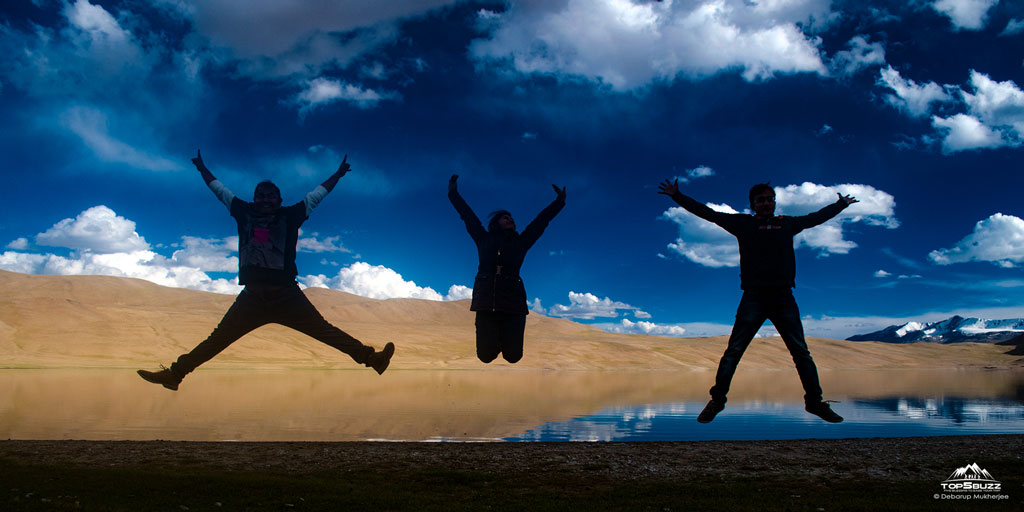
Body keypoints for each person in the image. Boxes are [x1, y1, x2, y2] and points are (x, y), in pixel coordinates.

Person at [137, 150, 395, 390]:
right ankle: (175, 375)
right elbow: (220, 191)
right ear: (254, 198)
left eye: (270, 196)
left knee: (325, 332)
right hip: (252, 298)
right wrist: (202, 169)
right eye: (260, 195)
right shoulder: (243, 212)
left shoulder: (291, 215)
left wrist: (337, 175)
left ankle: (373, 359)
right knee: (217, 340)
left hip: (287, 296)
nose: (265, 199)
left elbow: (317, 195)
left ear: (279, 200)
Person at [658, 178, 857, 423]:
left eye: (769, 199)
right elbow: (708, 213)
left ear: (774, 202)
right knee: (734, 351)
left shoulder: (788, 224)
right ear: (752, 204)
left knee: (801, 352)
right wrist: (677, 196)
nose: (766, 203)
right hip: (754, 296)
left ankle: (814, 403)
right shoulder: (743, 224)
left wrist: (840, 206)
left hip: (784, 296)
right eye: (760, 200)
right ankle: (717, 401)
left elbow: (815, 218)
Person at [448, 174, 565, 364]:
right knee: (485, 357)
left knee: (514, 357)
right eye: (505, 217)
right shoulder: (483, 239)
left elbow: (541, 222)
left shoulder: (521, 242)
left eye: (511, 218)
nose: (510, 219)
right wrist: (453, 193)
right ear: (496, 223)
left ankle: (505, 340)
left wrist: (559, 202)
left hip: (513, 304)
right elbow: (467, 216)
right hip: (487, 302)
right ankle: (496, 340)